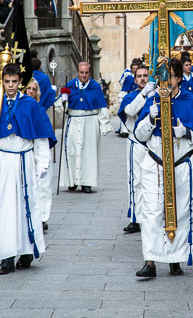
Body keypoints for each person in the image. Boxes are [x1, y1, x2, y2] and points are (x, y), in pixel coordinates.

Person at [134, 58, 193, 278]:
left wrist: (187, 132)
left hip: (182, 165)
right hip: (155, 164)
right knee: (151, 211)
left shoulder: (189, 100)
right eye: (162, 76)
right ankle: (149, 261)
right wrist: (150, 119)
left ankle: (175, 259)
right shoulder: (152, 100)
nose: (166, 81)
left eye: (170, 76)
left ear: (179, 78)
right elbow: (139, 136)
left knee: (180, 212)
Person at [0, 63, 56, 274]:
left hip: (24, 160)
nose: (11, 86)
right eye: (7, 82)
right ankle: (6, 255)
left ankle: (26, 251)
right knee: (4, 209)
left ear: (20, 82)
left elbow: (40, 138)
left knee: (27, 207)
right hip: (3, 160)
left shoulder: (30, 104)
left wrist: (41, 165)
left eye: (14, 82)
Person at [59, 62, 113, 193]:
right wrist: (64, 99)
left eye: (86, 73)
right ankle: (71, 182)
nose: (83, 75)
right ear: (77, 72)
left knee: (89, 153)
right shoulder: (70, 85)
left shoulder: (95, 87)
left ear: (90, 73)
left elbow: (101, 107)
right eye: (81, 72)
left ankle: (86, 183)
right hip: (73, 121)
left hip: (90, 122)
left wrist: (104, 126)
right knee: (71, 151)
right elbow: (61, 107)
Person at [118, 66, 155, 234]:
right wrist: (143, 95)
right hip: (136, 142)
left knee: (153, 181)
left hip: (153, 143)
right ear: (135, 80)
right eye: (139, 76)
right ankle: (135, 218)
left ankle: (151, 216)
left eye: (145, 76)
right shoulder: (131, 96)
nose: (142, 79)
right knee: (136, 180)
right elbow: (130, 111)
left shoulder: (156, 96)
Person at [26, 78, 55, 232]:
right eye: (28, 89)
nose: (31, 91)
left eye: (34, 89)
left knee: (43, 186)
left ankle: (43, 217)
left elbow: (45, 135)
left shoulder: (39, 109)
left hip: (39, 154)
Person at [116, 58, 141, 137]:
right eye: (133, 68)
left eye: (136, 68)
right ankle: (124, 130)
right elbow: (125, 88)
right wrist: (121, 98)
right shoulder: (128, 77)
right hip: (129, 96)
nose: (135, 69)